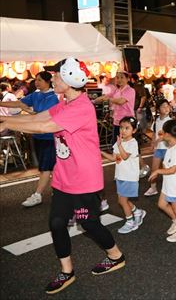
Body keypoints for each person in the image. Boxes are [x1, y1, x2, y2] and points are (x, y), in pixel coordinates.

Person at [0, 57, 125, 294]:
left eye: (56, 76)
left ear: (68, 79)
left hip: (84, 180)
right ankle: (67, 271)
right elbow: (39, 117)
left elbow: (44, 127)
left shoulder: (81, 107)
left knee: (87, 223)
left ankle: (115, 255)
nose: (53, 79)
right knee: (56, 223)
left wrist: (8, 124)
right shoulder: (65, 103)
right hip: (64, 178)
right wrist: (5, 120)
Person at [0, 71, 58, 207]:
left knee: (45, 168)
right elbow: (18, 103)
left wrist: (30, 113)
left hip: (49, 136)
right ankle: (59, 189)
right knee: (52, 166)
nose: (36, 82)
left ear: (48, 81)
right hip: (37, 134)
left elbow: (43, 116)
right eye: (36, 80)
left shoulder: (53, 97)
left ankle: (38, 195)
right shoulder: (36, 94)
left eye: (39, 80)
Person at [148, 119, 176, 243]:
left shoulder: (175, 150)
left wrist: (157, 171)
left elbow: (172, 170)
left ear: (168, 135)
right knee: (162, 204)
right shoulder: (173, 146)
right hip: (169, 184)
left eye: (163, 132)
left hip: (175, 185)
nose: (162, 134)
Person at [101, 116, 146, 234]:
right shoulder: (119, 142)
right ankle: (137, 212)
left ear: (134, 130)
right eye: (121, 127)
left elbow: (125, 156)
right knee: (122, 200)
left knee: (122, 200)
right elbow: (114, 158)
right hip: (120, 176)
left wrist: (120, 144)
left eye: (127, 128)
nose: (123, 130)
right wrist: (101, 152)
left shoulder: (133, 143)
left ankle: (130, 221)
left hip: (129, 177)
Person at [94, 71, 135, 143]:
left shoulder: (130, 90)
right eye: (117, 77)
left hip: (126, 122)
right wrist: (93, 101)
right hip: (117, 121)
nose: (119, 80)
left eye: (122, 77)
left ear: (128, 79)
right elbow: (105, 96)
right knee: (115, 144)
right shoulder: (117, 90)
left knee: (125, 144)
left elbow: (121, 101)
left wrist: (109, 99)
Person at [144, 100, 172, 197]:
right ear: (158, 109)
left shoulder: (170, 121)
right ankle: (153, 187)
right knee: (154, 168)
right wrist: (153, 143)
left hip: (168, 149)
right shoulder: (157, 121)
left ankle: (169, 188)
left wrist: (159, 140)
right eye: (163, 106)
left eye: (167, 106)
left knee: (167, 170)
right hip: (159, 149)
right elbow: (154, 134)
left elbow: (171, 136)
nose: (166, 108)